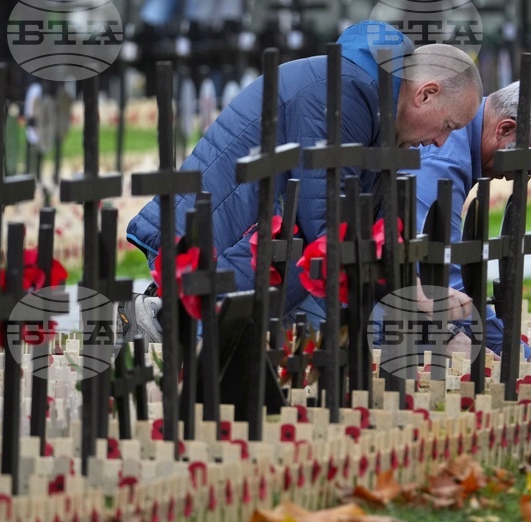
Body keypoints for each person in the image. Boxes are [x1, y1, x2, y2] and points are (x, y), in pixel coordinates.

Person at [122, 20, 483, 340]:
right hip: (206, 245)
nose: (441, 142)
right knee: (311, 279)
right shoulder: (345, 93)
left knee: (340, 321)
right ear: (425, 94)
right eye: (447, 126)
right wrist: (412, 297)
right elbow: (327, 227)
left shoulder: (378, 114)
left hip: (242, 241)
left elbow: (374, 235)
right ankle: (162, 320)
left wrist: (420, 304)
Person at [409, 79, 531, 358]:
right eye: (529, 167)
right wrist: (517, 353)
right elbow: (441, 278)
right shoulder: (445, 162)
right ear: (505, 129)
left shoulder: (460, 136)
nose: (518, 179)